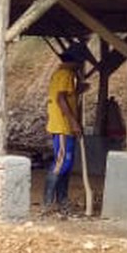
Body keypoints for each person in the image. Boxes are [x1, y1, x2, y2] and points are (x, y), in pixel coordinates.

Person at [45, 44, 89, 212]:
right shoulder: (65, 74)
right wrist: (73, 122)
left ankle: (61, 200)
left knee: (67, 163)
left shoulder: (63, 74)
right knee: (61, 162)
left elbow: (67, 96)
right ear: (76, 61)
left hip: (64, 125)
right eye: (80, 62)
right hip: (63, 126)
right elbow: (60, 99)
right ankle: (48, 202)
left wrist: (78, 91)